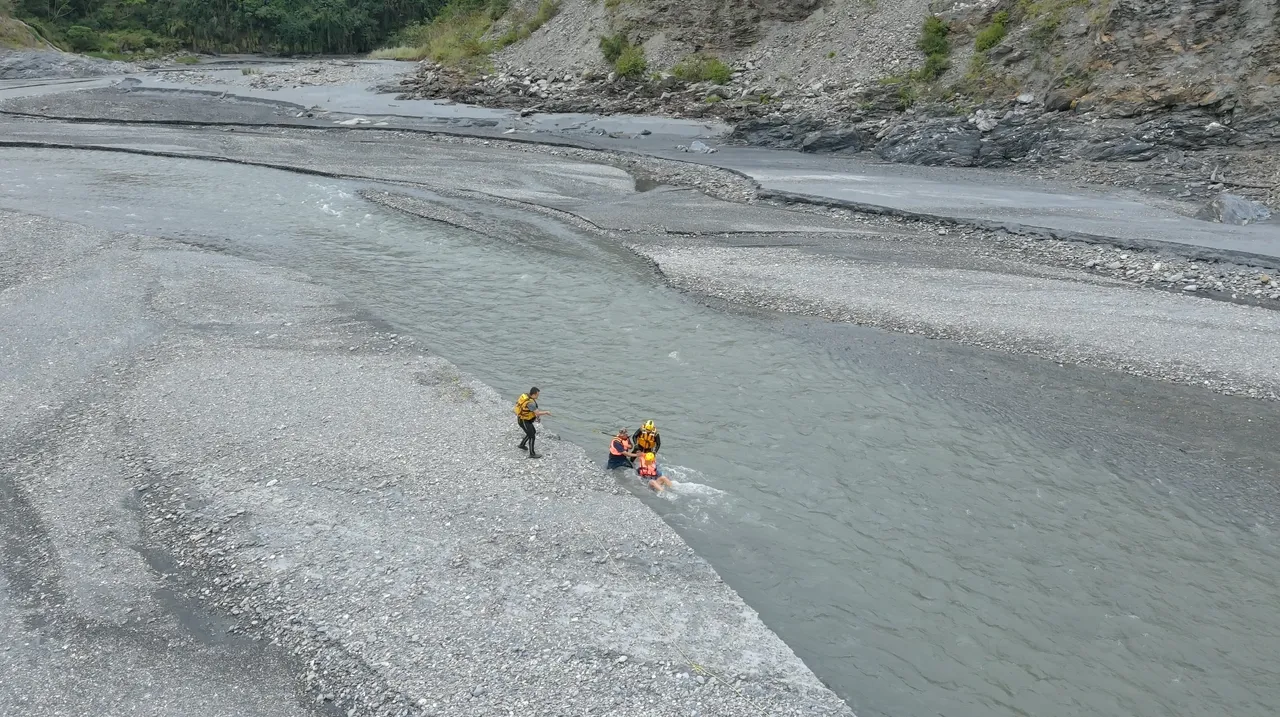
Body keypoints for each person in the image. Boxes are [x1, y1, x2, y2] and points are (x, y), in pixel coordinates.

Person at [513, 387, 550, 458]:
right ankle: (532, 454)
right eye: (537, 395)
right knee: (532, 436)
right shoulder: (530, 403)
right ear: (534, 394)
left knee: (533, 431)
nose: (538, 396)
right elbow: (537, 412)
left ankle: (522, 445)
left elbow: (532, 411)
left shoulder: (527, 396)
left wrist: (536, 417)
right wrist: (546, 412)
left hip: (525, 420)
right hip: (524, 421)